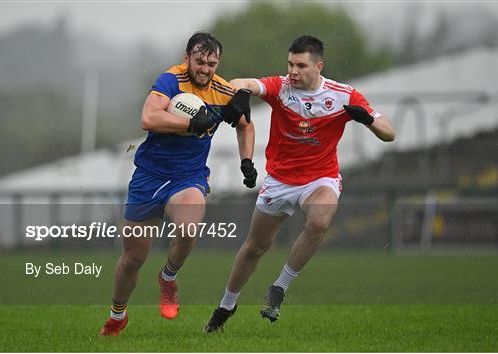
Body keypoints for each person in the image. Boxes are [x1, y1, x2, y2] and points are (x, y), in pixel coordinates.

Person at [204, 35, 395, 332]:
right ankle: (226, 305)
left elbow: (389, 133)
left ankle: (279, 288)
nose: (293, 71)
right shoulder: (281, 87)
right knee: (255, 247)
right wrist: (241, 92)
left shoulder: (343, 95)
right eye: (290, 63)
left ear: (319, 66)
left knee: (319, 221)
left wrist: (367, 119)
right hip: (279, 181)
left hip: (320, 178)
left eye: (301, 65)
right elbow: (242, 82)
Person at [100, 31, 256, 336]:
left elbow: (245, 125)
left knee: (187, 227)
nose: (205, 69)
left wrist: (246, 161)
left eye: (212, 63)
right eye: (200, 61)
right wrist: (190, 123)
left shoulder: (222, 90)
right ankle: (118, 314)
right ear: (187, 59)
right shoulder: (171, 81)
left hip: (189, 176)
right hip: (149, 176)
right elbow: (148, 118)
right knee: (133, 259)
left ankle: (168, 277)